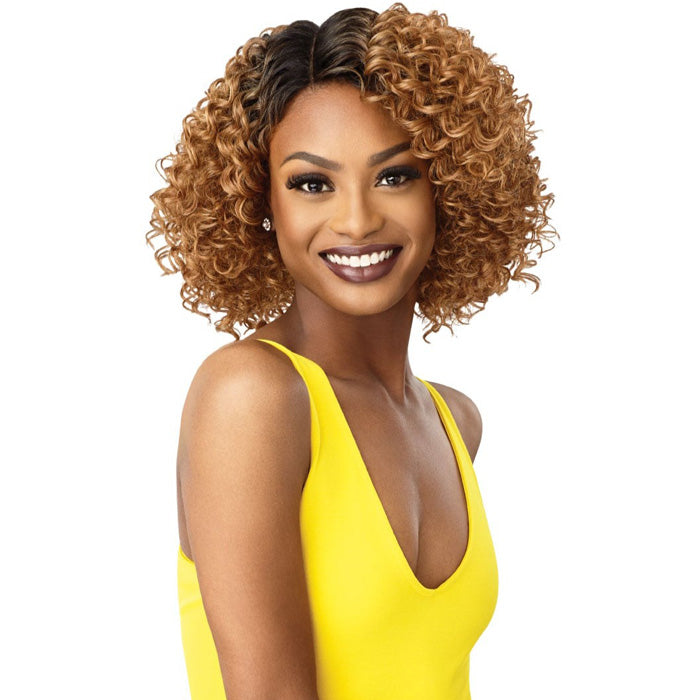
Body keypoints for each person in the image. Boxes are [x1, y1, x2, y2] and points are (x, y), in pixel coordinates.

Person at [146, 4, 556, 699]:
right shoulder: (251, 397)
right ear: (260, 203)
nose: (358, 220)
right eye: (313, 184)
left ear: (450, 188)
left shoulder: (455, 421)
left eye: (395, 176)